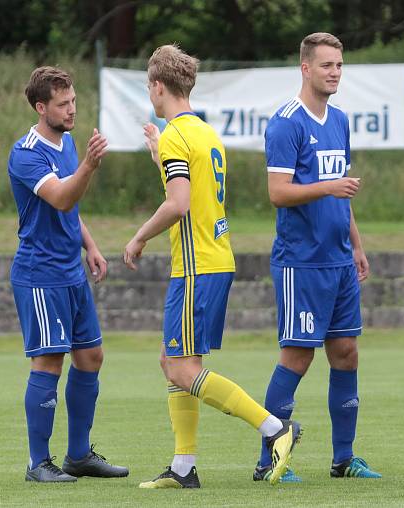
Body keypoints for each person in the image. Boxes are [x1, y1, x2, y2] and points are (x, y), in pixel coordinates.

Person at [123, 44, 301, 489]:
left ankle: (274, 428)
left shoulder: (178, 137)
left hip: (196, 265)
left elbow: (178, 202)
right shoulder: (202, 133)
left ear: (157, 87)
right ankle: (184, 468)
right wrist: (158, 154)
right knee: (173, 360)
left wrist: (139, 235)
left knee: (182, 369)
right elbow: (192, 186)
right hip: (215, 259)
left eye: (149, 86)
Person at [252, 32, 381, 483]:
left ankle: (343, 459)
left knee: (346, 353)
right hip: (301, 262)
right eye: (326, 65)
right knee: (297, 357)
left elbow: (342, 193)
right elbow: (277, 193)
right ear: (305, 68)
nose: (335, 72)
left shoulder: (340, 120)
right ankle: (268, 460)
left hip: (339, 261)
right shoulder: (286, 123)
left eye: (340, 65)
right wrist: (328, 187)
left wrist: (357, 245)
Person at [8, 66, 128, 482]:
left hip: (71, 272)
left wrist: (90, 246)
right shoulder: (26, 153)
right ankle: (37, 463)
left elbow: (71, 209)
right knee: (49, 362)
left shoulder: (69, 141)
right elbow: (60, 196)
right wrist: (90, 167)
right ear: (41, 108)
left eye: (74, 101)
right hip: (40, 275)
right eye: (63, 104)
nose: (72, 109)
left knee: (91, 356)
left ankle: (78, 455)